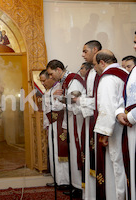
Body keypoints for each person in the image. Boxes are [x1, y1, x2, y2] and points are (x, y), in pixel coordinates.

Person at [47, 59, 86, 198]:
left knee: (77, 153)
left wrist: (61, 99)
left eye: (51, 74)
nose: (50, 77)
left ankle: (81, 187)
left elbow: (75, 99)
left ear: (58, 69)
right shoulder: (66, 81)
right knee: (73, 153)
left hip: (78, 119)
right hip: (71, 119)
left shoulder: (73, 79)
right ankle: (75, 185)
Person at [93, 49, 128, 200]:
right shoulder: (124, 73)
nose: (94, 69)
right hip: (127, 125)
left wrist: (104, 133)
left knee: (117, 163)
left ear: (102, 62)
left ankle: (120, 196)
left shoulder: (108, 78)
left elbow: (107, 106)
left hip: (117, 128)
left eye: (95, 65)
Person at [78, 40, 101, 200]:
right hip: (90, 120)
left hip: (98, 121)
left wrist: (81, 101)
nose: (83, 54)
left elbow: (99, 100)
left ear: (95, 50)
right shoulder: (92, 72)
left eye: (85, 51)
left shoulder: (101, 71)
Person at [40, 70, 70, 189]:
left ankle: (65, 181)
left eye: (44, 80)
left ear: (51, 78)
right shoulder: (48, 91)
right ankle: (57, 179)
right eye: (41, 81)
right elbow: (45, 109)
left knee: (61, 153)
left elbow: (61, 106)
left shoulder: (59, 87)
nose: (42, 83)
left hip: (59, 123)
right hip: (52, 125)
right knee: (53, 152)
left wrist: (52, 98)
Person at [115, 33, 136, 200]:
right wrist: (120, 112)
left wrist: (131, 117)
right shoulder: (134, 72)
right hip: (132, 127)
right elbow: (125, 96)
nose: (134, 46)